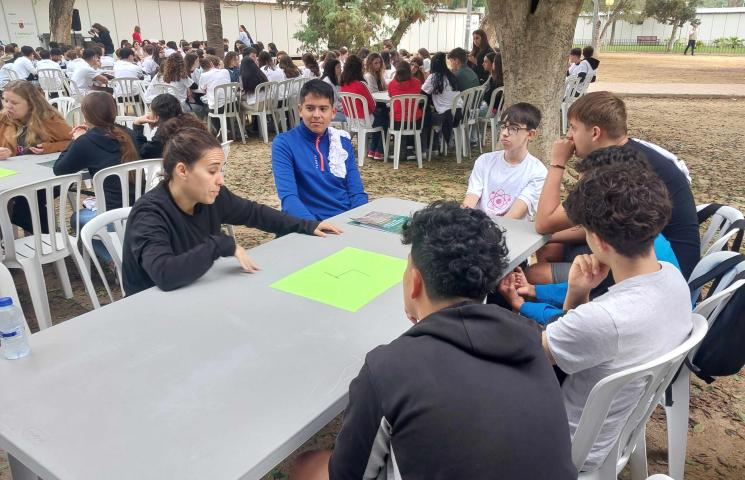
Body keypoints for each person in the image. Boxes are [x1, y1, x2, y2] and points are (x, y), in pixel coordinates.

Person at [291, 201, 577, 480]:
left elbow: (347, 474)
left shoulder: (389, 369)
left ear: (415, 282)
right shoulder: (532, 341)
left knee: (307, 465)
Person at [532, 162, 693, 473]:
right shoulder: (673, 278)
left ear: (600, 242)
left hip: (561, 445)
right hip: (613, 433)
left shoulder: (605, 318)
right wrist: (578, 292)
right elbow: (580, 335)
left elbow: (530, 355)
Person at [121, 127, 341, 295]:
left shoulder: (212, 197)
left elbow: (255, 213)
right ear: (182, 170)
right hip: (150, 308)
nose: (220, 180)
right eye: (212, 171)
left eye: (221, 170)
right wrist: (220, 244)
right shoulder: (149, 215)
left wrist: (307, 225)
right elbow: (164, 274)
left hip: (197, 290)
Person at [532, 91, 700, 282]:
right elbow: (597, 223)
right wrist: (550, 236)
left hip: (658, 269)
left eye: (573, 128)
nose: (569, 135)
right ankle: (558, 305)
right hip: (641, 248)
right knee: (551, 245)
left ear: (595, 133)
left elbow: (544, 223)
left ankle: (555, 304)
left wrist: (557, 163)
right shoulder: (630, 151)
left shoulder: (611, 173)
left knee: (531, 275)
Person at [501, 148, 681, 325]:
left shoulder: (606, 318)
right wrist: (535, 291)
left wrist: (522, 305)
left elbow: (572, 329)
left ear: (600, 239)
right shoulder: (662, 265)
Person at [52, 92, 139, 260]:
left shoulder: (86, 142)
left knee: (77, 218)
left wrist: (76, 140)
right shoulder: (128, 133)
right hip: (139, 209)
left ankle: (115, 260)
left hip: (111, 216)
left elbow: (59, 169)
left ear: (85, 115)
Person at [272, 79, 367, 221]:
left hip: (345, 220)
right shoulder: (284, 143)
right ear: (300, 110)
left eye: (323, 109)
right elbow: (289, 198)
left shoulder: (341, 142)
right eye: (310, 108)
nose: (316, 115)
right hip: (305, 225)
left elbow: (356, 192)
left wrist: (358, 221)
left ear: (333, 112)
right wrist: (314, 227)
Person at [0, 80, 73, 232]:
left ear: (31, 103)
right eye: (5, 100)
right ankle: (47, 240)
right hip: (16, 177)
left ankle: (48, 242)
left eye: (14, 102)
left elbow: (73, 142)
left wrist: (50, 147)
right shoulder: (4, 119)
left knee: (25, 201)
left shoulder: (49, 119)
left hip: (50, 176)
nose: (8, 106)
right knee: (17, 200)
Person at [463, 102, 546, 220]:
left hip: (510, 231)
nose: (504, 133)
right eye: (503, 127)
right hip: (476, 228)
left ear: (531, 134)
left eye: (513, 128)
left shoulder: (537, 172)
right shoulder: (485, 161)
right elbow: (470, 199)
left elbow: (513, 217)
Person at [340, 55, 387, 160]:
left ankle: (372, 150)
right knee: (385, 117)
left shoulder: (343, 84)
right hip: (365, 120)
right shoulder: (361, 85)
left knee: (381, 116)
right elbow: (373, 105)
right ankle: (378, 151)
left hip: (351, 119)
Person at [132, 93, 201, 159]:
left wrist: (137, 125)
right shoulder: (190, 123)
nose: (147, 114)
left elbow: (143, 154)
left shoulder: (165, 133)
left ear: (157, 117)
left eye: (150, 111)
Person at [421, 52, 460, 147]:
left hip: (445, 115)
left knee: (424, 117)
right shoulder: (451, 76)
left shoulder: (433, 77)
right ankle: (436, 145)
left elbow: (422, 94)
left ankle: (430, 146)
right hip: (459, 112)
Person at [320, 59, 345, 123]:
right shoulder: (327, 82)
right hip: (328, 112)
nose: (340, 69)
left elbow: (340, 97)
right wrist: (345, 108)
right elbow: (333, 103)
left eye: (340, 67)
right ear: (331, 69)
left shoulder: (334, 79)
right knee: (349, 118)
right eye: (338, 67)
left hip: (335, 109)